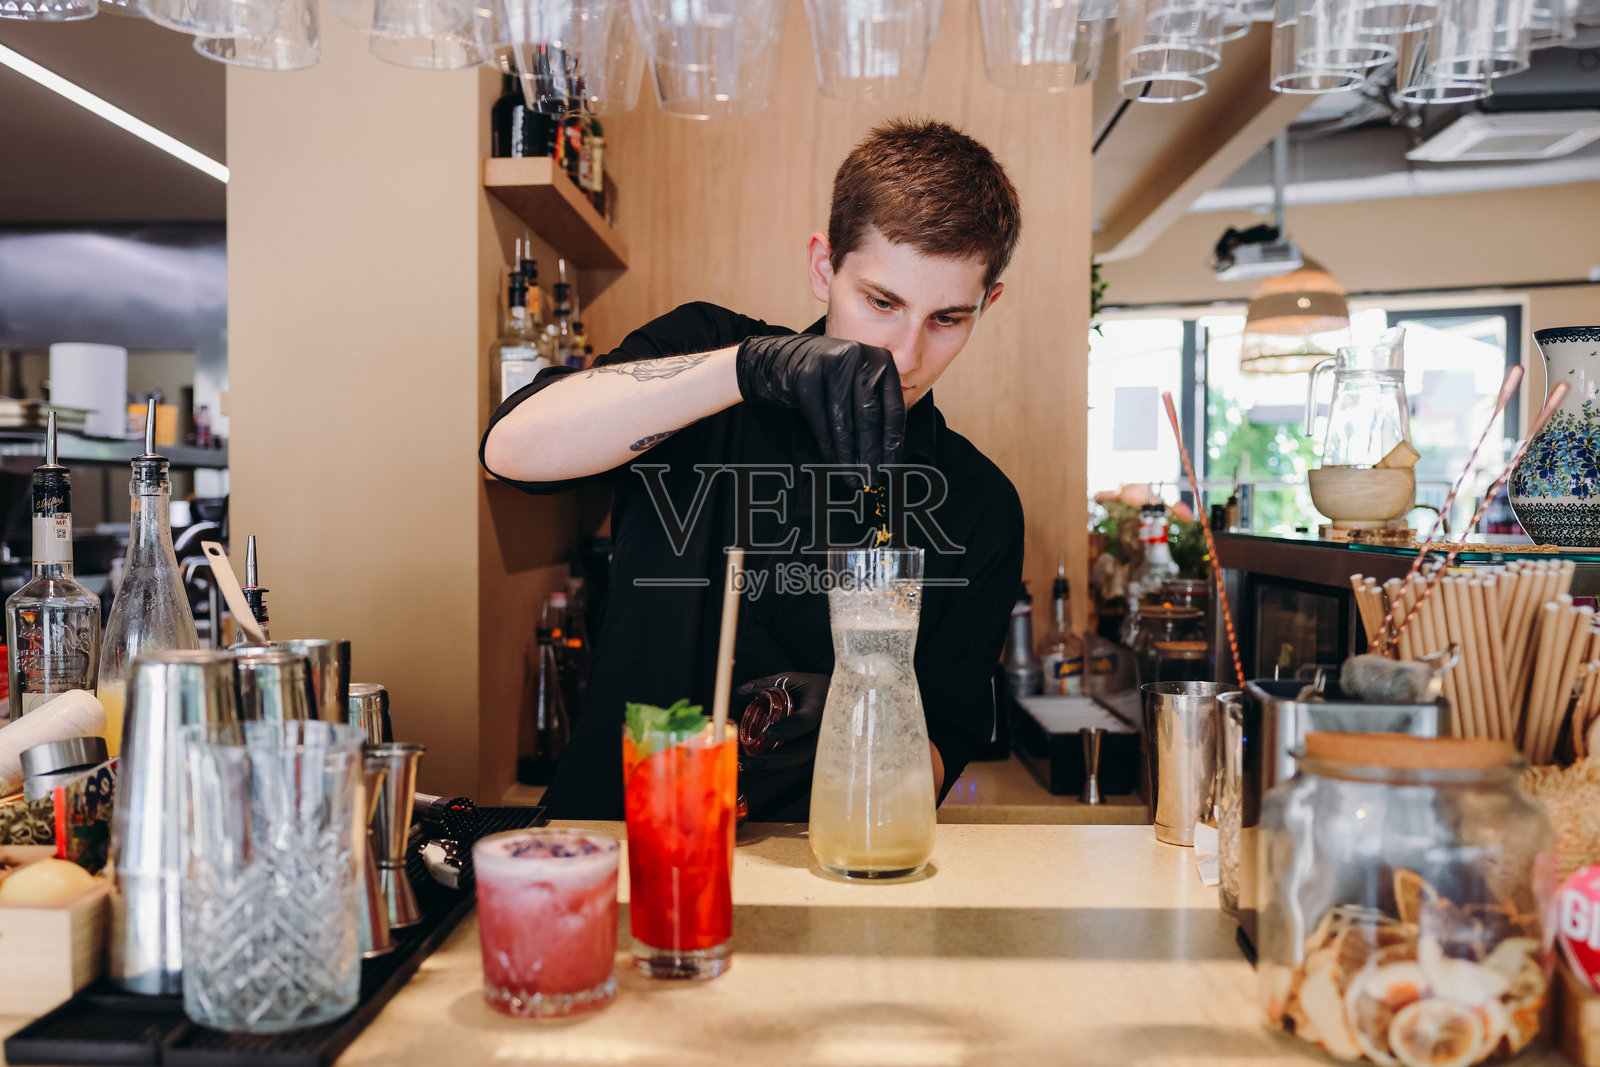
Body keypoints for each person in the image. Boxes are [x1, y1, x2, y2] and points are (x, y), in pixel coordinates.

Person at [481, 118, 1025, 821]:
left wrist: (859, 716)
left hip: (827, 870)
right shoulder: (706, 351)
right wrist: (746, 366)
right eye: (881, 302)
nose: (904, 353)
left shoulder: (980, 505)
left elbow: (937, 758)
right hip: (617, 835)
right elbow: (511, 449)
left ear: (988, 304)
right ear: (824, 266)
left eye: (948, 319)